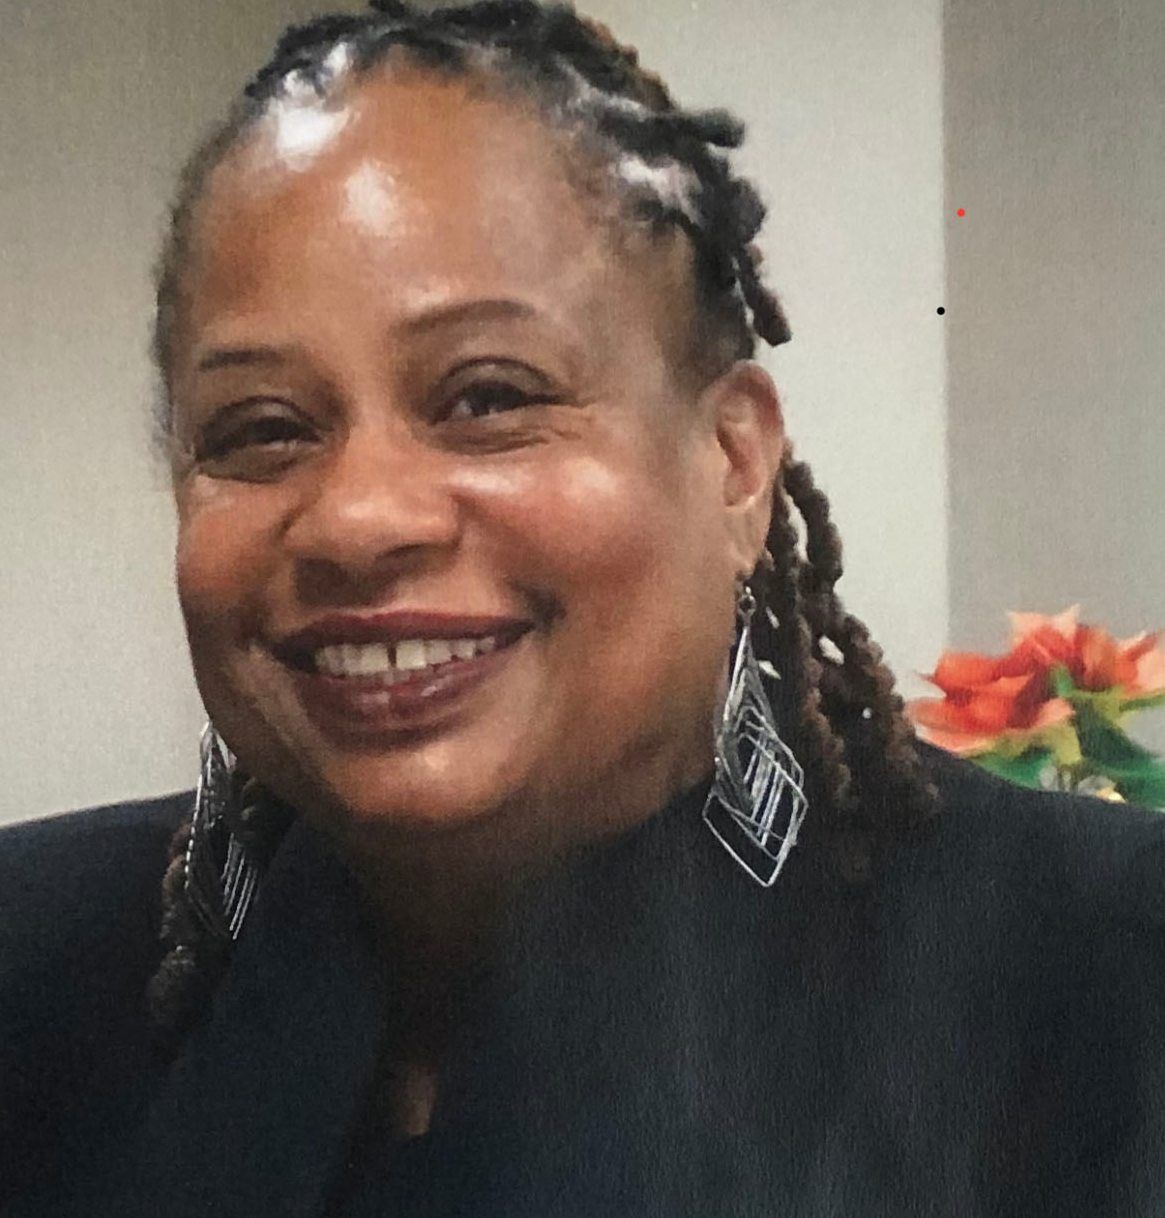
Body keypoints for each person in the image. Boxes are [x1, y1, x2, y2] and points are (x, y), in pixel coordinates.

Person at [3, 2, 1164, 1214]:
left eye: (488, 396)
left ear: (732, 464)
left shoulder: (1104, 986)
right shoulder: (32, 971)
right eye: (261, 429)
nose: (357, 518)